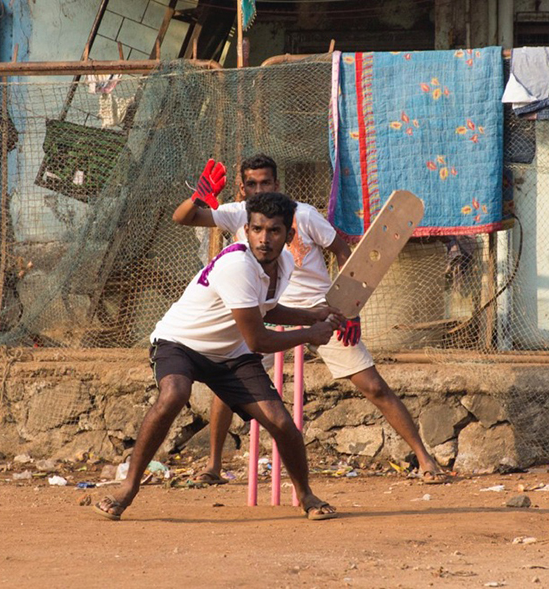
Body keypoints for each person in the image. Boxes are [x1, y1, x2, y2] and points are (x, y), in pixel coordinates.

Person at [172, 154, 450, 485]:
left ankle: (424, 457)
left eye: (265, 182)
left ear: (277, 184)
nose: (259, 189)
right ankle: (214, 467)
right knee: (228, 383)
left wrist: (349, 306)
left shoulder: (302, 215)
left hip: (319, 309)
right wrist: (199, 195)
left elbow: (343, 251)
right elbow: (184, 218)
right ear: (242, 188)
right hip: (262, 310)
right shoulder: (238, 214)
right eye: (251, 184)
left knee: (373, 385)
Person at [93, 192, 343, 521]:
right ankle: (128, 488)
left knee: (283, 424)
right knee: (175, 393)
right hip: (181, 342)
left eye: (274, 231)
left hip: (229, 355)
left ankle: (306, 496)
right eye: (256, 229)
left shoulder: (283, 264)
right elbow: (258, 339)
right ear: (247, 229)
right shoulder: (237, 265)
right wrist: (311, 334)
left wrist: (311, 315)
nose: (264, 239)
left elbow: (268, 309)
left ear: (290, 236)